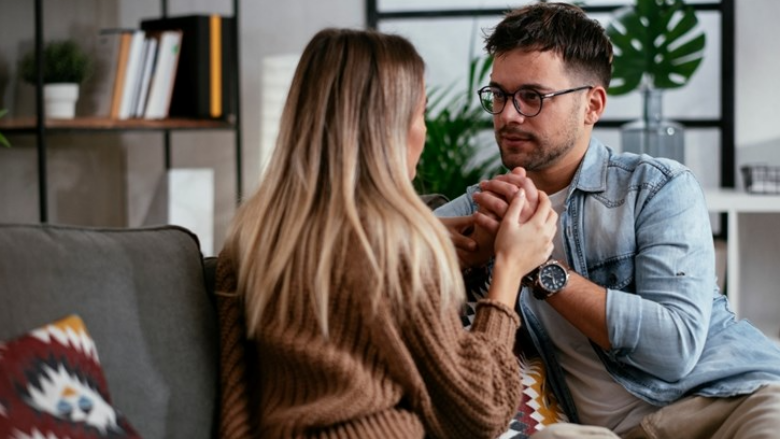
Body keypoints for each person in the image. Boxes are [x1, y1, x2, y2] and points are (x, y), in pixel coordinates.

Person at [435, 3, 780, 439]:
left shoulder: (655, 188)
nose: (507, 116)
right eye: (499, 95)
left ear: (591, 105)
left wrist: (536, 267)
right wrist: (449, 246)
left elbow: (674, 348)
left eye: (531, 97)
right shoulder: (483, 209)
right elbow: (368, 255)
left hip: (726, 400)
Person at [214, 27, 558, 438]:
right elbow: (481, 410)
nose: (425, 132)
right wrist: (509, 269)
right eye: (421, 114)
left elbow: (238, 398)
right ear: (388, 129)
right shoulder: (396, 248)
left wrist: (433, 246)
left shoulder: (253, 237)